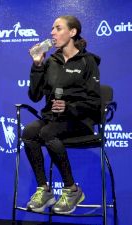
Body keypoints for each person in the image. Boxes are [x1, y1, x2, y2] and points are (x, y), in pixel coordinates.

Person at [22, 15, 101, 214]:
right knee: (29, 132)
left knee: (48, 133)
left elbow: (94, 101)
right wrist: (37, 65)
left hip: (79, 120)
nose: (52, 33)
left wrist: (69, 107)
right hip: (53, 119)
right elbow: (34, 95)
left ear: (72, 32)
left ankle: (71, 189)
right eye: (52, 29)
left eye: (58, 28)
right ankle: (44, 189)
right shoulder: (51, 62)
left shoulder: (88, 61)